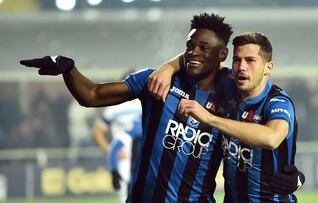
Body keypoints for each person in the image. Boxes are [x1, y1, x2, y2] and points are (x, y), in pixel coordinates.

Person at [20, 13, 233, 202]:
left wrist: (170, 64)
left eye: (203, 48)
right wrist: (69, 69)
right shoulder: (156, 81)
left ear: (222, 54)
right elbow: (91, 95)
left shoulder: (231, 95)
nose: (193, 52)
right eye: (189, 46)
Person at [149, 32, 303, 202]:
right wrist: (168, 67)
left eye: (250, 60)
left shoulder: (277, 102)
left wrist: (209, 118)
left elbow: (271, 138)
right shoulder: (229, 86)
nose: (242, 67)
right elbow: (201, 61)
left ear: (268, 67)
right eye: (237, 60)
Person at [92, 98, 142, 203]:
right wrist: (112, 153)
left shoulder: (144, 102)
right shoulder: (114, 107)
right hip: (124, 160)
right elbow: (97, 133)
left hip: (144, 156)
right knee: (125, 197)